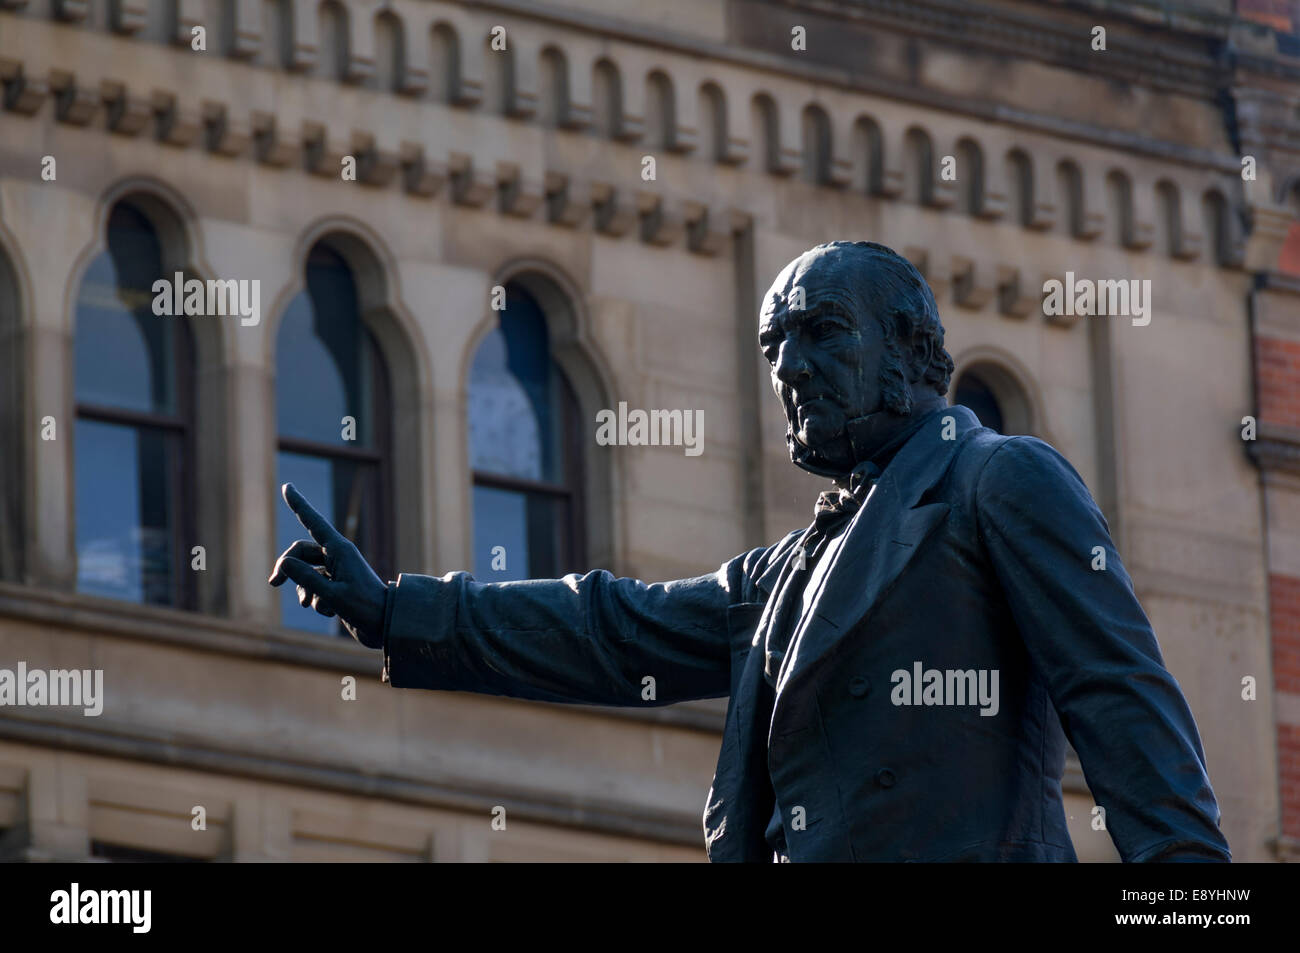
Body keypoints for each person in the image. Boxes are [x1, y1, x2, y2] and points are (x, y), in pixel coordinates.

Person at [270, 241, 1230, 862]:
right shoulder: (788, 576)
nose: (790, 367)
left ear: (909, 348)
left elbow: (1121, 696)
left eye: (820, 334)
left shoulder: (997, 480)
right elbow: (614, 631)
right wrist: (402, 608)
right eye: (775, 344)